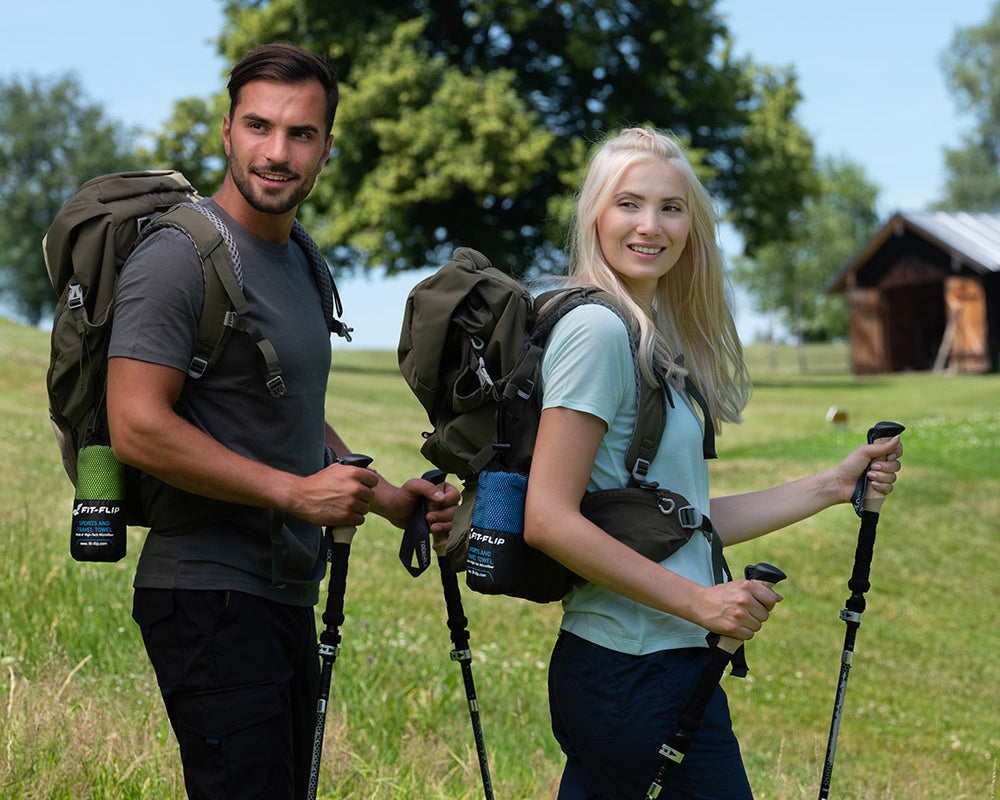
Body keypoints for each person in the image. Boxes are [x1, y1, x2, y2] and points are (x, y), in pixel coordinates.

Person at [106, 43, 459, 800]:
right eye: (259, 127)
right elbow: (135, 425)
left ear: (327, 147)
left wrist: (386, 497)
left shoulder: (300, 258)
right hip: (207, 595)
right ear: (227, 130)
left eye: (301, 134)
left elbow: (288, 411)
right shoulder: (178, 256)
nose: (277, 153)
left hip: (281, 593)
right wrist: (295, 495)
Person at [522, 127, 903, 800]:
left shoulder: (646, 340)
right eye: (629, 203)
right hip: (632, 670)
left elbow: (683, 526)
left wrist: (831, 485)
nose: (651, 225)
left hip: (653, 667)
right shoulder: (597, 331)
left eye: (671, 208)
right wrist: (701, 601)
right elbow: (548, 520)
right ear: (595, 216)